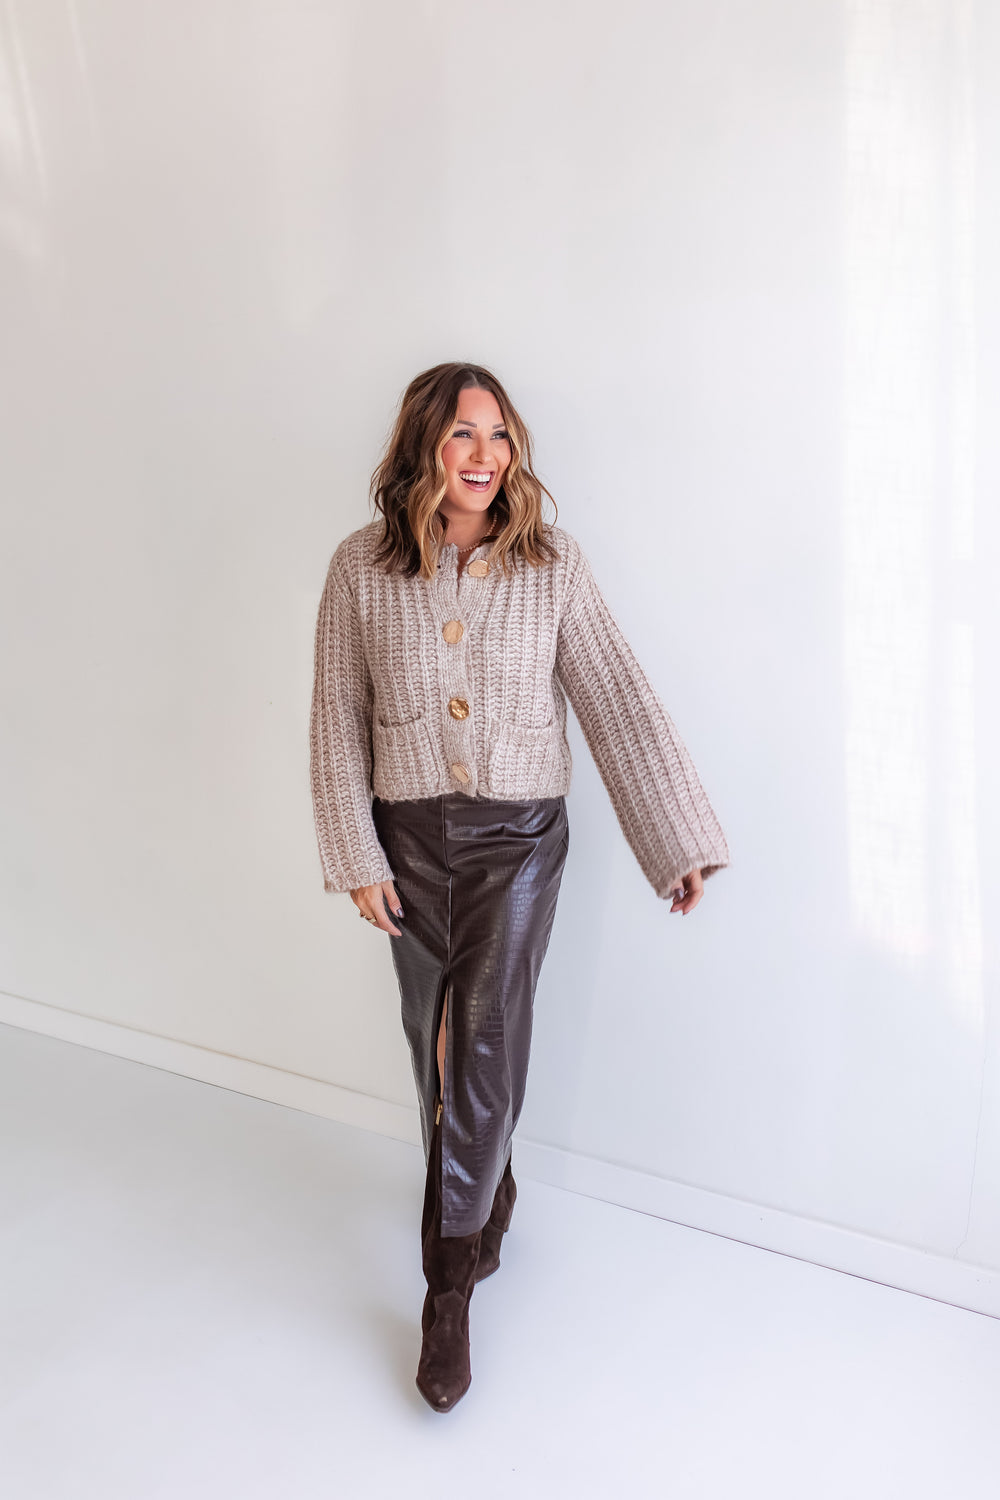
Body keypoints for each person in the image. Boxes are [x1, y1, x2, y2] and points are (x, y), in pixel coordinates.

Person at [309, 361, 731, 1413]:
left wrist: (672, 838)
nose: (485, 456)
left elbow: (613, 694)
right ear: (422, 448)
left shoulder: (551, 565)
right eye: (462, 436)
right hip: (407, 845)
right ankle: (483, 1191)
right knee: (434, 1053)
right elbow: (331, 720)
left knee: (481, 1039)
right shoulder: (360, 570)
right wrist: (356, 857)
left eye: (498, 436)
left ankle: (444, 1292)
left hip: (521, 843)